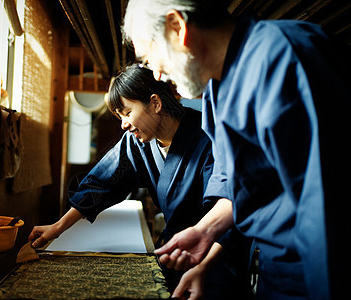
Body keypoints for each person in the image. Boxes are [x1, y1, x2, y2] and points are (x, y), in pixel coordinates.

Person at [123, 0, 351, 299]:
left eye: (149, 59)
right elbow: (240, 182)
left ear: (177, 27)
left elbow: (327, 202)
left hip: (321, 266)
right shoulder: (216, 88)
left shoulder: (285, 56)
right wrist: (207, 229)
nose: (156, 75)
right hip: (275, 266)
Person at [29, 64, 252, 298]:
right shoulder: (137, 142)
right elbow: (100, 183)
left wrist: (203, 267)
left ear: (155, 103)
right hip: (176, 254)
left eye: (127, 112)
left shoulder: (208, 134)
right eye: (119, 117)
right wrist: (58, 227)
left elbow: (230, 208)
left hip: (217, 257)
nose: (124, 123)